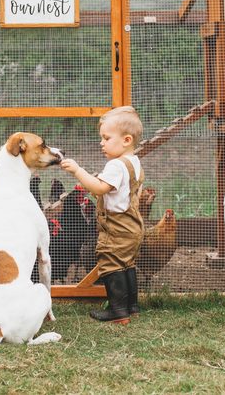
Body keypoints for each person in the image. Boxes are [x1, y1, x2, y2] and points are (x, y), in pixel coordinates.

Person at [59, 106, 144, 323]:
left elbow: (98, 189)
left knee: (110, 263)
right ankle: (131, 306)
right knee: (127, 263)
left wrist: (78, 171)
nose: (101, 143)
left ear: (126, 140)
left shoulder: (116, 165)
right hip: (133, 223)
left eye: (106, 138)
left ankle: (118, 311)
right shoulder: (134, 162)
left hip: (117, 226)